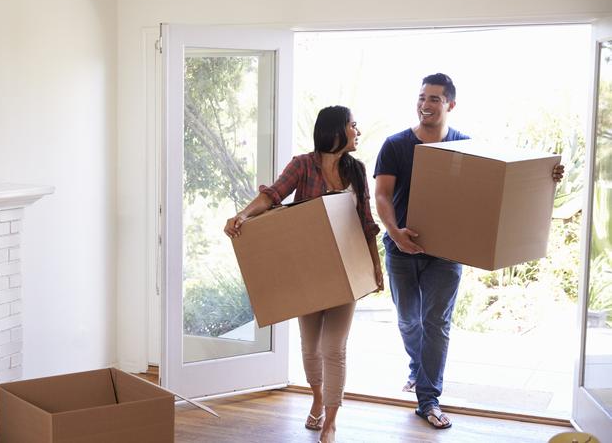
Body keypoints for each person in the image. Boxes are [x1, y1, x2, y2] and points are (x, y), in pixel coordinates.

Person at [373, 73, 565, 430]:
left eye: (434, 99)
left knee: (437, 323)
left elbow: (501, 183)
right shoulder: (396, 145)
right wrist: (396, 233)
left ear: (450, 105)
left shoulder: (466, 146)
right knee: (408, 320)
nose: (425, 104)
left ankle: (428, 399)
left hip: (446, 253)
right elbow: (382, 195)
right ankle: (418, 367)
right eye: (421, 97)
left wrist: (547, 176)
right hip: (401, 249)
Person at [224, 105, 383, 443]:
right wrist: (242, 215)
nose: (357, 131)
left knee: (333, 347)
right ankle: (317, 399)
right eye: (353, 125)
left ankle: (331, 421)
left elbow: (367, 223)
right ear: (336, 130)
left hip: (345, 273)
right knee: (311, 347)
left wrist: (375, 266)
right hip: (308, 272)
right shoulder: (302, 165)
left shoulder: (356, 170)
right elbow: (272, 196)